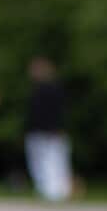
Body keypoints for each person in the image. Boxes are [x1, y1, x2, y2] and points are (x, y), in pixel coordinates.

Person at [25, 57, 72, 202]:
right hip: (37, 132)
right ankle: (45, 189)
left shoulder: (53, 89)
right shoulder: (36, 89)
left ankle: (56, 192)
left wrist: (55, 129)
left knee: (53, 161)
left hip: (51, 132)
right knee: (39, 163)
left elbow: (57, 112)